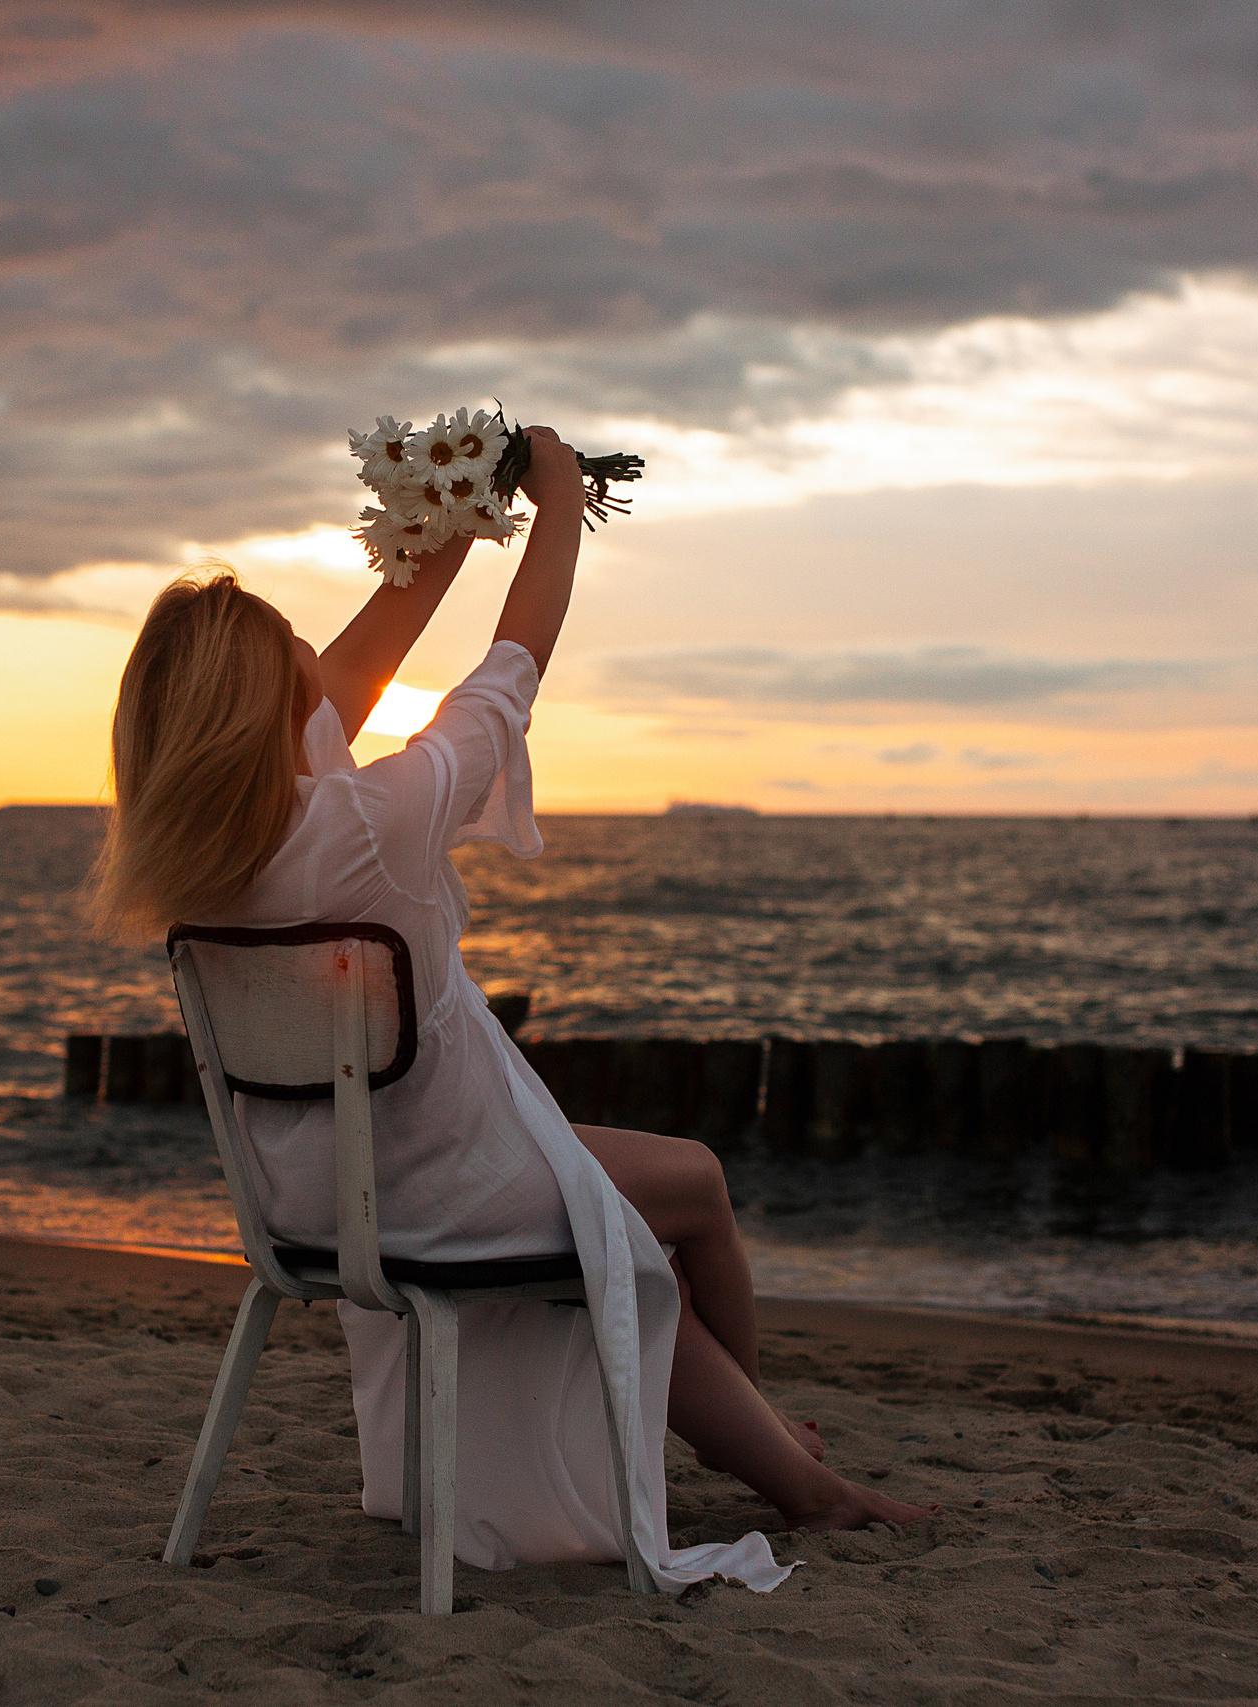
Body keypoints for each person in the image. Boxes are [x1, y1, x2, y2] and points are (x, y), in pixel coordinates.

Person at [91, 425, 932, 1586]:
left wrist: (450, 512)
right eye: (290, 644)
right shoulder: (362, 826)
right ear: (264, 699)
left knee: (619, 1211)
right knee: (689, 1188)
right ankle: (780, 1467)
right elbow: (513, 666)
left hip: (310, 1204)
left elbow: (356, 670)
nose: (312, 649)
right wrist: (550, 506)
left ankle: (772, 1452)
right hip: (433, 1193)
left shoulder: (193, 853)